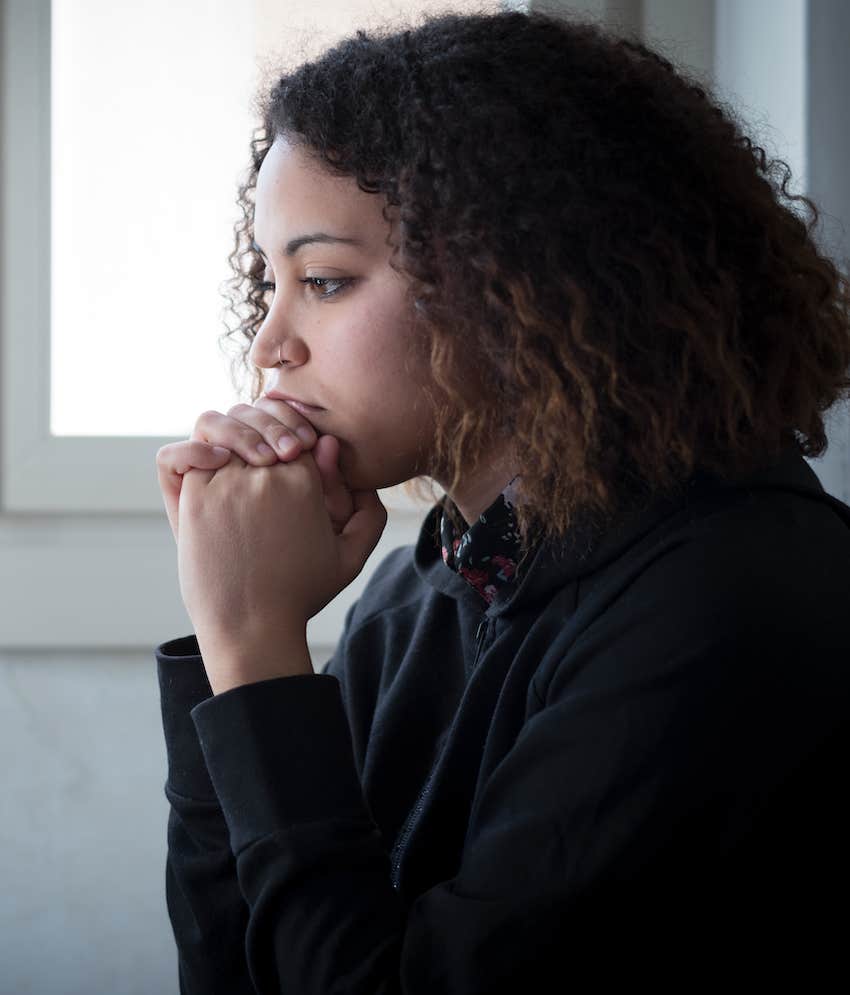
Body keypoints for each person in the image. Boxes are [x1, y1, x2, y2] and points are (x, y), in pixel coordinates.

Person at [154, 8, 850, 993]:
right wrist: (231, 656)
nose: (270, 344)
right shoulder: (416, 596)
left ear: (510, 273)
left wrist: (260, 654)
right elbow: (234, 972)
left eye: (324, 279)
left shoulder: (731, 598)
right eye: (269, 281)